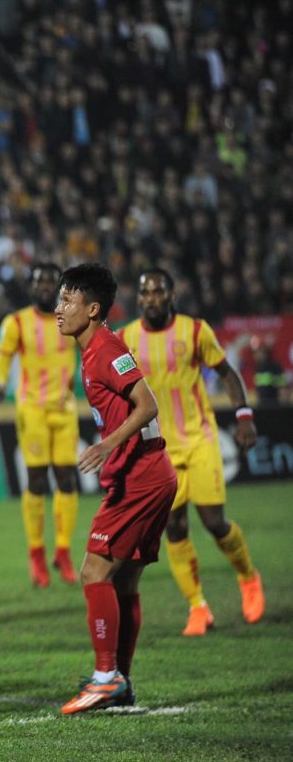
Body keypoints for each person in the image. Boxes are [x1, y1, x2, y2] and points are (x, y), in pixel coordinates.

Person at [55, 263, 176, 714]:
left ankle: (106, 676)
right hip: (148, 473)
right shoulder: (91, 350)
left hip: (141, 475)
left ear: (93, 309)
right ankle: (119, 680)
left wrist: (107, 444)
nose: (59, 308)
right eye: (59, 299)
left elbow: (148, 405)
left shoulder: (105, 348)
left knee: (93, 572)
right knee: (124, 582)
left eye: (68, 300)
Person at [118, 269, 264, 635]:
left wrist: (243, 415)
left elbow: (227, 373)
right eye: (145, 292)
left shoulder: (195, 330)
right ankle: (198, 607)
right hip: (159, 449)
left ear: (171, 295)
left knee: (214, 522)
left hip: (199, 438)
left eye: (158, 291)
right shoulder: (125, 339)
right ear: (138, 299)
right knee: (175, 527)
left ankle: (248, 576)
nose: (151, 298)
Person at [0, 262, 81, 587]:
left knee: (67, 480)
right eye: (38, 281)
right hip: (32, 410)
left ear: (59, 288)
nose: (43, 287)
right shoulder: (16, 323)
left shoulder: (71, 319)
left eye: (49, 282)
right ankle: (37, 553)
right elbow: (2, 360)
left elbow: (90, 352)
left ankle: (64, 551)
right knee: (37, 481)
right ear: (31, 287)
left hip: (65, 408)